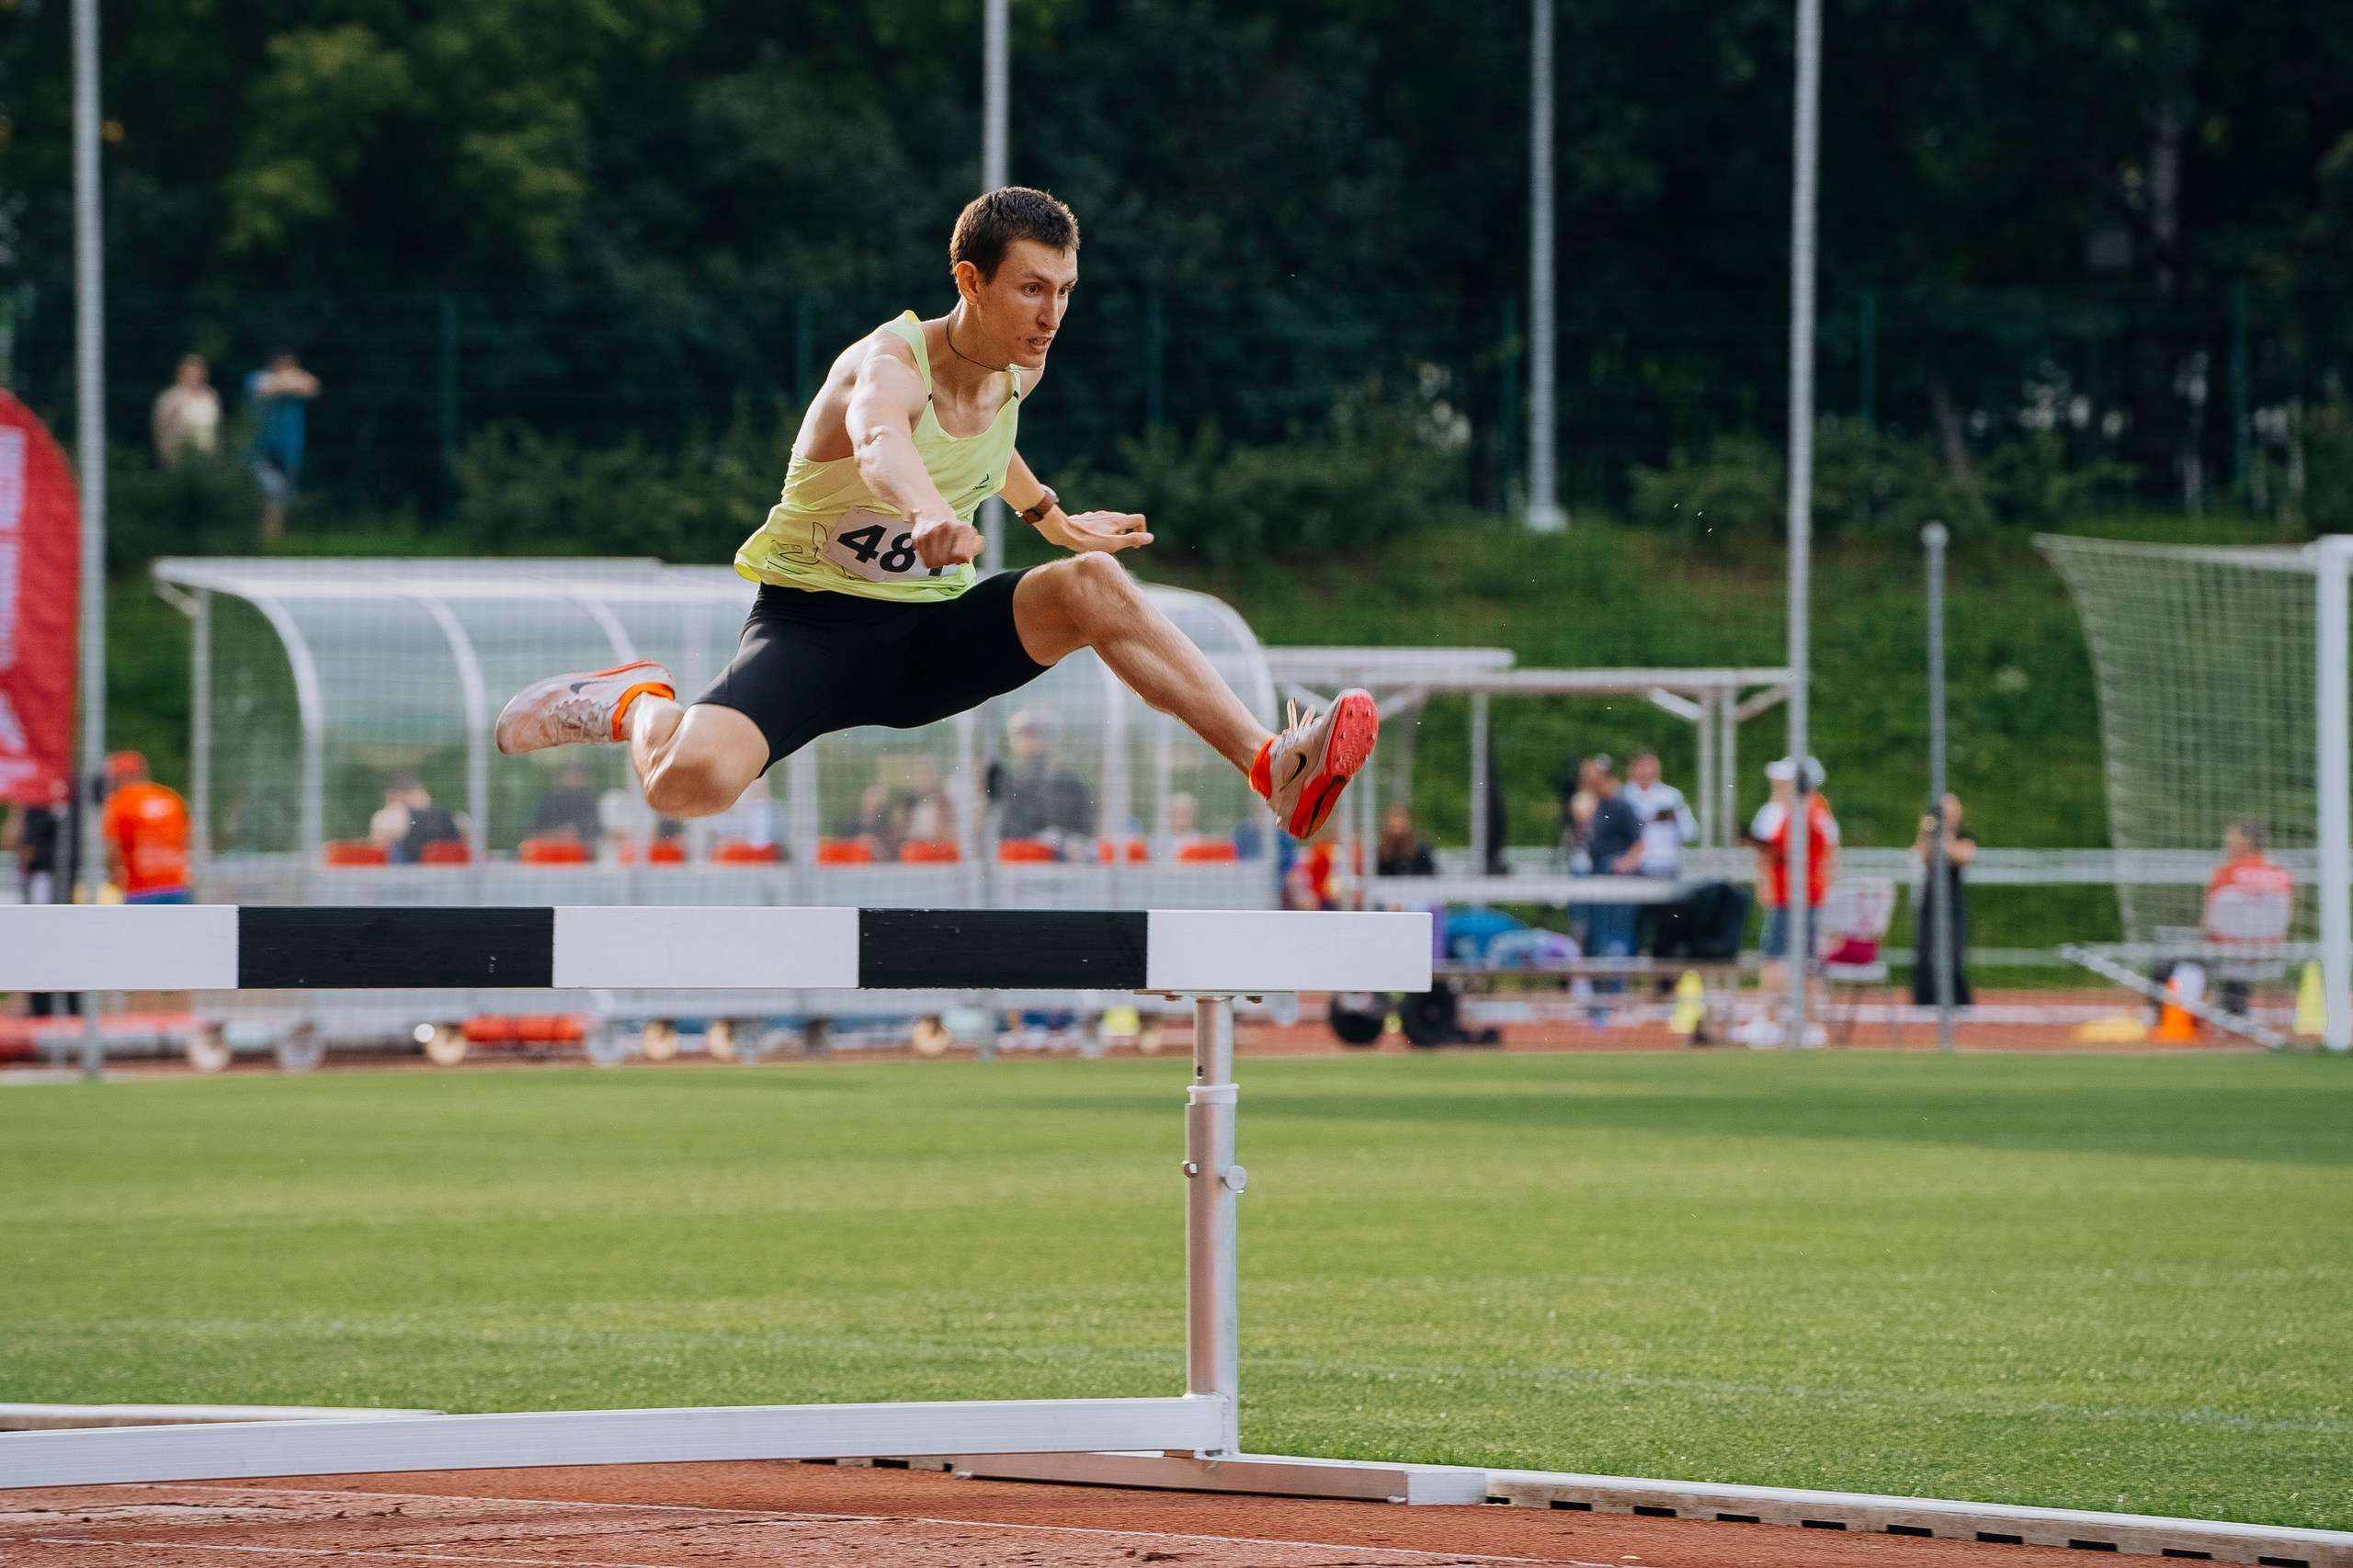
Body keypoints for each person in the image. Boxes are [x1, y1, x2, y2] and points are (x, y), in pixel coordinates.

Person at [490, 188, 1374, 862]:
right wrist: (927, 515)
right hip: (815, 632)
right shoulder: (884, 364)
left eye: (1065, 291)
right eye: (1031, 289)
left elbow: (995, 451)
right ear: (969, 281)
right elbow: (881, 441)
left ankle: (1273, 766)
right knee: (689, 786)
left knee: (1095, 587)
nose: (1052, 315)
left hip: (930, 641)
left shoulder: (1019, 373)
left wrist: (1051, 521)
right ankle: (632, 701)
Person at [1742, 756, 1840, 1046]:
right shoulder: (1818, 812)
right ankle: (1808, 1023)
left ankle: (1774, 1020)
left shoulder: (1795, 813)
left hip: (1790, 896)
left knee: (1776, 959)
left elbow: (1776, 853)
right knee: (1809, 960)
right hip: (1809, 895)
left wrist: (1766, 879)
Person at [2200, 820, 2293, 1017]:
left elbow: (2209, 922)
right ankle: (2232, 1007)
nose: (2226, 841)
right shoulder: (2280, 873)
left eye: (2231, 836)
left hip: (2229, 952)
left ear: (2246, 841)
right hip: (2269, 951)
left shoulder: (2226, 873)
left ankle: (2174, 1016)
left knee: (2171, 949)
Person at [6, 786, 79, 1017]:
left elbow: (13, 840)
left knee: (40, 939)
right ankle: (46, 1001)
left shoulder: (38, 803)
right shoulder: (58, 798)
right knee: (50, 940)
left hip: (43, 879)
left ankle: (42, 1003)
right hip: (53, 878)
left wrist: (17, 810)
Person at [1582, 756, 1644, 1002]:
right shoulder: (1595, 806)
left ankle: (1618, 994)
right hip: (1597, 879)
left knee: (1617, 939)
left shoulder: (1621, 806)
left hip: (1616, 883)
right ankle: (1599, 994)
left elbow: (1639, 846)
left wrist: (1620, 867)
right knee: (1596, 938)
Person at [1910, 791, 1977, 1007]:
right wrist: (1926, 830)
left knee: (1954, 955)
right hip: (1931, 899)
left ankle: (1957, 1000)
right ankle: (1925, 1000)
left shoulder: (1963, 835)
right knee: (1925, 951)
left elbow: (1961, 856)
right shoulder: (1930, 834)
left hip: (1953, 900)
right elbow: (1920, 856)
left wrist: (1945, 834)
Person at [244, 351, 321, 540]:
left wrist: (290, 382)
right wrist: (290, 381)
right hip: (261, 450)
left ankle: (271, 540)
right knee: (272, 491)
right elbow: (265, 388)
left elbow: (313, 387)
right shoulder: (256, 378)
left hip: (289, 451)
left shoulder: (293, 384)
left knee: (281, 497)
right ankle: (264, 538)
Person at [100, 752, 191, 904]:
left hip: (141, 889)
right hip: (176, 885)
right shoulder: (170, 798)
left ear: (123, 776)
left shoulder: (121, 802)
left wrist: (112, 877)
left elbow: (112, 848)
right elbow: (187, 838)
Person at [998, 707, 1096, 849]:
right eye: (1016, 736)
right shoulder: (1013, 782)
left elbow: (1079, 829)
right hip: (1017, 858)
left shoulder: (1067, 781)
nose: (1018, 742)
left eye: (1030, 735)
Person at [1617, 749, 1697, 881]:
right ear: (1632, 769)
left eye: (1649, 766)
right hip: (1633, 866)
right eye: (1641, 766)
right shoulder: (1623, 797)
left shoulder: (1671, 796)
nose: (1646, 771)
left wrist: (1677, 818)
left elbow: (1690, 832)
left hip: (1665, 864)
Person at [152, 354, 222, 464]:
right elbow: (160, 430)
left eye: (200, 371)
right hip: (178, 458)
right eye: (192, 371)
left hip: (207, 458)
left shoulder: (211, 396)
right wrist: (165, 457)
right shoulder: (170, 398)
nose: (198, 375)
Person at [529, 763, 603, 844]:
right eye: (572, 776)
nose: (575, 780)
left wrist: (576, 834)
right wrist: (558, 834)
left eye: (578, 776)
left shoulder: (588, 802)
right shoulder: (549, 800)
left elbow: (595, 831)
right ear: (563, 777)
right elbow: (533, 831)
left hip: (578, 849)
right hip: (549, 848)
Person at [1376, 802, 1435, 877]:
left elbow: (1430, 875)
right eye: (1393, 826)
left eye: (1400, 826)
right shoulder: (1380, 853)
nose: (1397, 831)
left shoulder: (1420, 850)